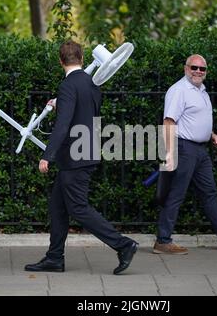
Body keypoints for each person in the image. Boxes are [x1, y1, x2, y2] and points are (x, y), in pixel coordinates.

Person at [25, 40, 138, 275]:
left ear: (60, 61)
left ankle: (124, 245)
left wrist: (47, 155)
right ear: (82, 59)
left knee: (78, 208)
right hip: (85, 153)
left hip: (74, 158)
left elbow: (64, 124)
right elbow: (86, 114)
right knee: (58, 207)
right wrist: (60, 104)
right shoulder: (92, 83)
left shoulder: (67, 86)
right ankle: (54, 258)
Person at [153, 54, 217, 255]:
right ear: (185, 68)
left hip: (200, 150)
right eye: (194, 67)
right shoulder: (179, 90)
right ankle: (163, 241)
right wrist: (170, 153)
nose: (198, 71)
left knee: (209, 192)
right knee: (175, 193)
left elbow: (193, 120)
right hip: (183, 148)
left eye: (202, 69)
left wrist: (211, 134)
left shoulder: (201, 91)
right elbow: (169, 122)